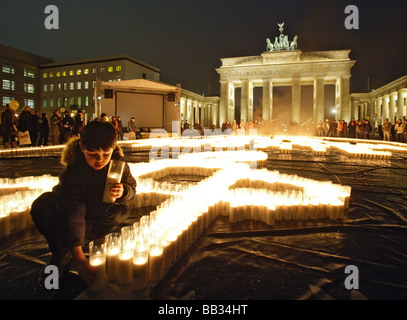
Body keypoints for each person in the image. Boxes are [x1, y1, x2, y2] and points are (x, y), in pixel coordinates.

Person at [30, 120, 137, 288]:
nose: (100, 160)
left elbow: (132, 187)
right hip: (65, 210)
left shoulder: (119, 166)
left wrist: (124, 190)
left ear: (113, 149)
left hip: (95, 211)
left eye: (106, 154)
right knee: (41, 206)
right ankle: (62, 253)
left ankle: (65, 249)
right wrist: (79, 258)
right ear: (81, 148)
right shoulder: (74, 169)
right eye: (93, 154)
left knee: (121, 210)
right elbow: (73, 208)